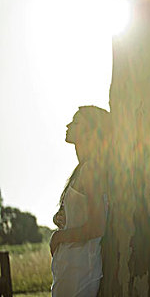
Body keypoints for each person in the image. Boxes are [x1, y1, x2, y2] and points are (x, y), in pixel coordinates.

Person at [50, 106, 110, 297]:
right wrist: (62, 218)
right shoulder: (82, 169)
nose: (68, 125)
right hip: (70, 268)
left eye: (76, 122)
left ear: (91, 131)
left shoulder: (92, 169)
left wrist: (59, 237)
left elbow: (97, 226)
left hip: (81, 271)